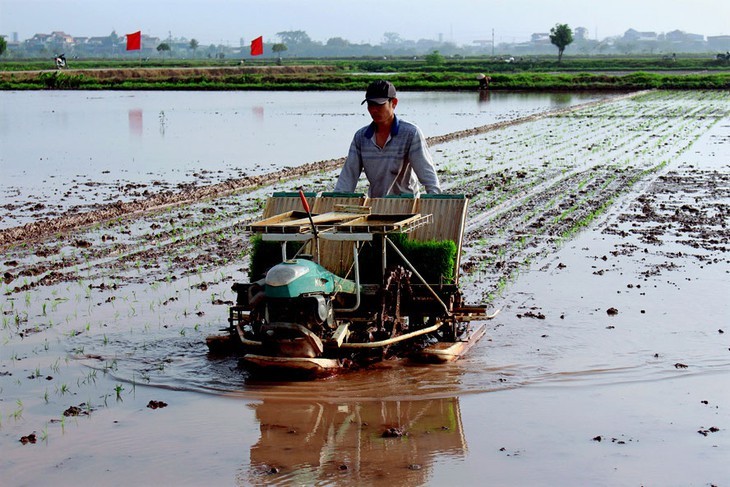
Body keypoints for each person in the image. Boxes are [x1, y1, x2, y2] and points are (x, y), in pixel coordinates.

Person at [334, 80, 441, 198]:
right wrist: (337, 199)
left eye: (379, 105)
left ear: (394, 103)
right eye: (370, 105)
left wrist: (435, 199)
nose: (374, 110)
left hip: (406, 203)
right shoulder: (361, 137)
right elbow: (348, 176)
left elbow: (426, 172)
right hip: (377, 203)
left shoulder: (410, 133)